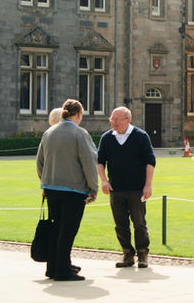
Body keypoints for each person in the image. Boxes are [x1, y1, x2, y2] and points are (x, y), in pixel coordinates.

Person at [36, 99, 98, 281]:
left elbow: (40, 162)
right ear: (78, 114)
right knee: (68, 230)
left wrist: (45, 181)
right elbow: (88, 162)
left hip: (52, 188)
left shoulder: (49, 132)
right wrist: (93, 188)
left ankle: (53, 267)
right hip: (74, 189)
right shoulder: (80, 133)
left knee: (56, 228)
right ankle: (62, 269)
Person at [97, 106, 156, 269]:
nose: (113, 122)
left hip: (137, 188)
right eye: (111, 119)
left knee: (139, 222)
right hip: (116, 189)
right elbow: (100, 161)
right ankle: (127, 254)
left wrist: (148, 185)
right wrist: (103, 180)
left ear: (127, 120)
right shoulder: (106, 138)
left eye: (116, 119)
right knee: (120, 224)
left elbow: (150, 162)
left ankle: (143, 254)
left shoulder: (141, 136)